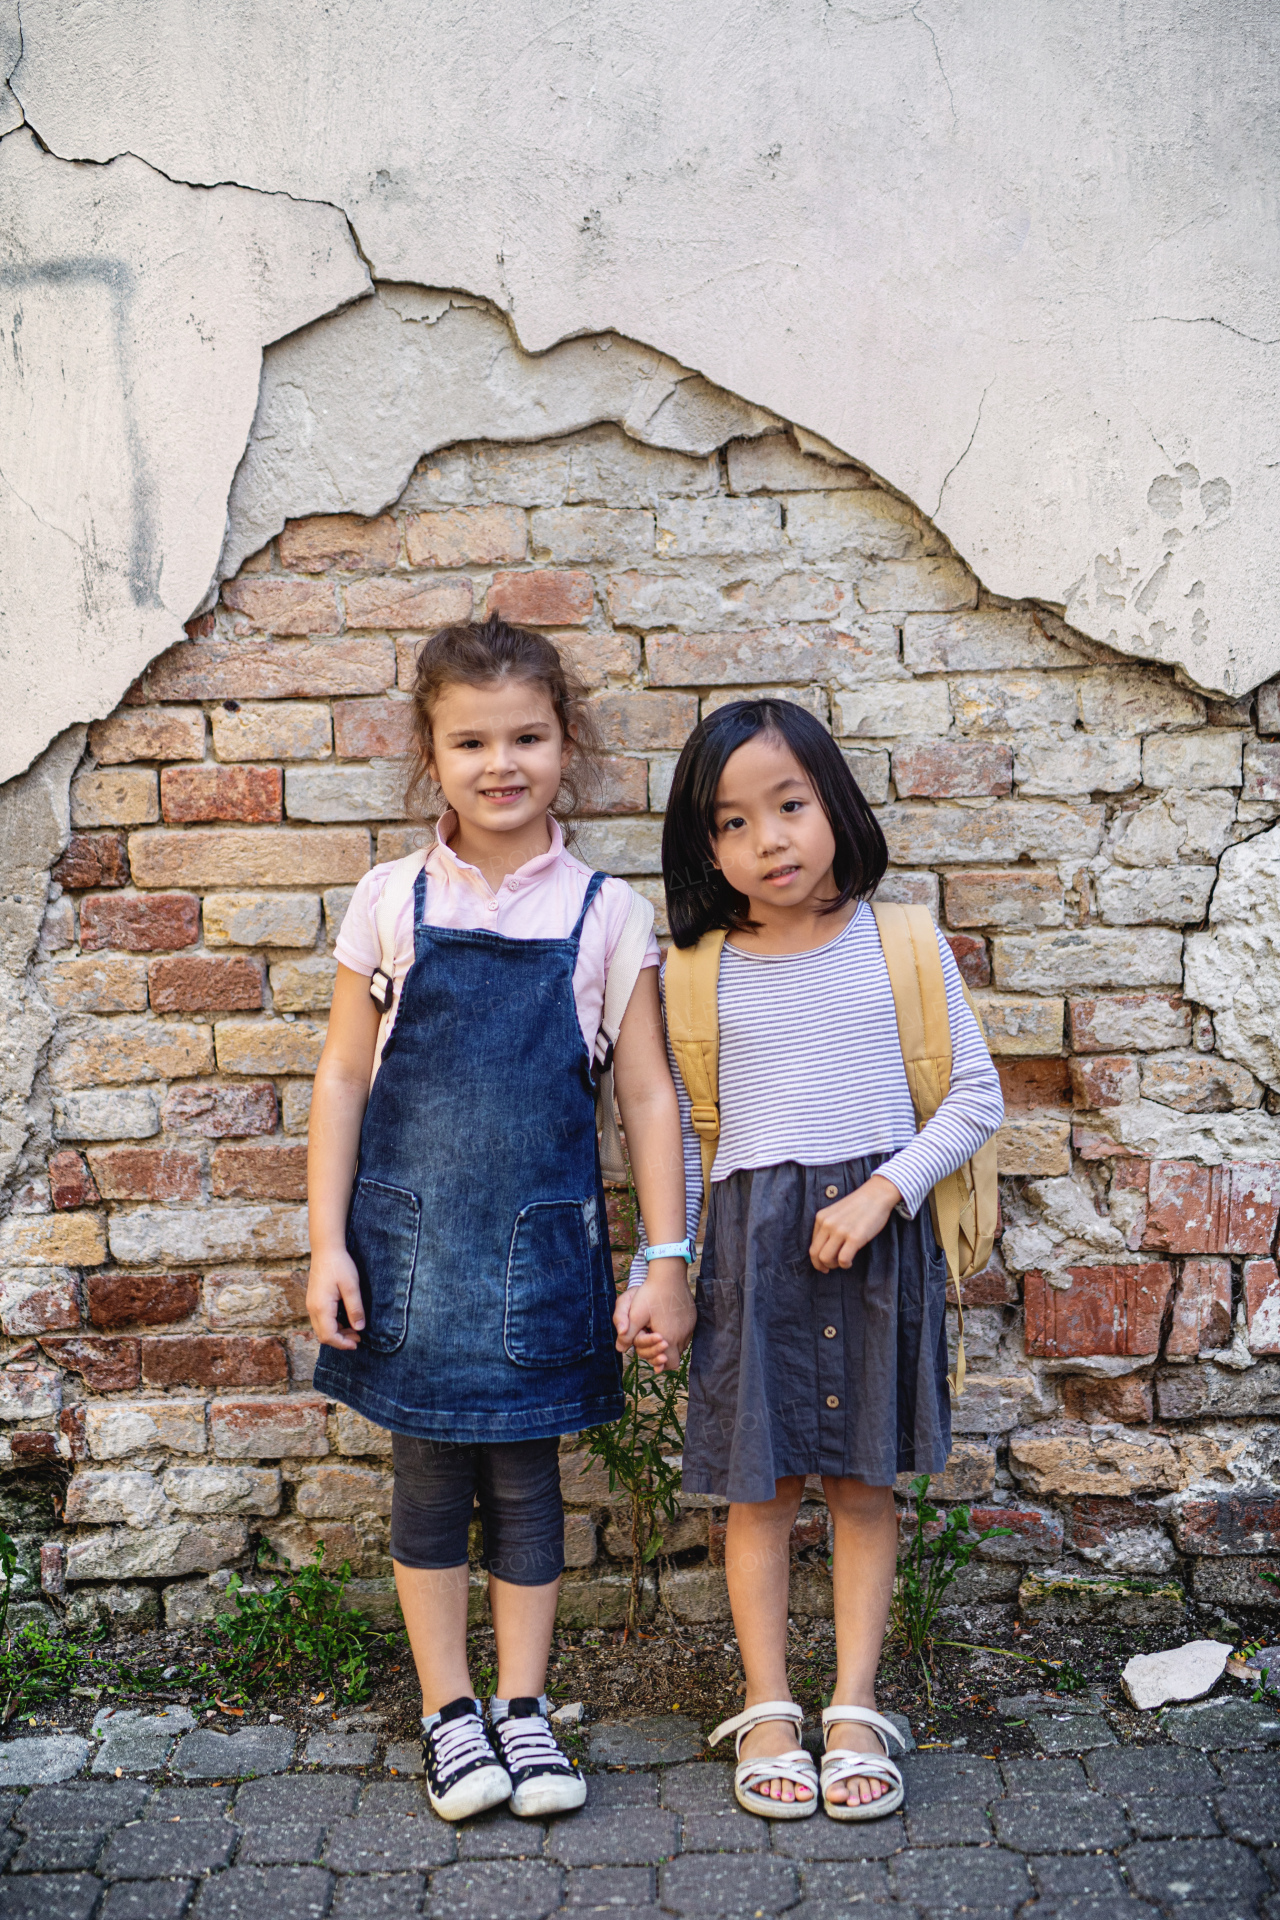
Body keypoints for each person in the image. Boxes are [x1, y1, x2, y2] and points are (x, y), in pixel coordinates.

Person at [307, 616, 694, 1823]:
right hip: (408, 1255)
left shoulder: (607, 915)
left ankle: (523, 1713)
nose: (500, 763)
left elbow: (643, 1091)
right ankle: (447, 1713)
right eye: (470, 740)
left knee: (527, 1486)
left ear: (564, 743)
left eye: (525, 735)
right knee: (425, 1484)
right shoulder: (391, 899)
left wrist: (665, 1256)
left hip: (539, 1256)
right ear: (431, 755)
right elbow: (341, 1079)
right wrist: (325, 1243)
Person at [633, 698, 1002, 1822]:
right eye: (732, 824)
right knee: (758, 1492)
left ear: (831, 803)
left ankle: (851, 1707)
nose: (769, 842)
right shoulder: (694, 968)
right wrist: (672, 1269)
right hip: (752, 1253)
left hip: (873, 1248)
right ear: (703, 847)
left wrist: (885, 1188)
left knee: (857, 1485)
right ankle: (768, 1706)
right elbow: (692, 1142)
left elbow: (976, 1098)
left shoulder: (901, 942)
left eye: (787, 807)